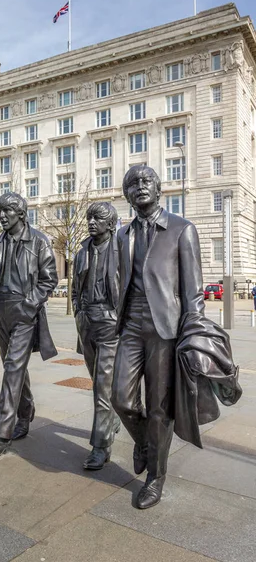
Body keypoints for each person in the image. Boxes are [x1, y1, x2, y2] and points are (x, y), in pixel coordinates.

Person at [111, 164, 205, 510]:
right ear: (127, 196)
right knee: (120, 397)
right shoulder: (123, 235)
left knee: (159, 407)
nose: (139, 186)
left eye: (145, 180)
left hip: (166, 326)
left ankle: (155, 477)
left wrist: (192, 333)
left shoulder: (182, 229)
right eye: (132, 184)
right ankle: (146, 444)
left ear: (159, 187)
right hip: (131, 323)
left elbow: (193, 292)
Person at [0, 192, 58, 457]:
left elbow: (49, 279)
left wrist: (29, 305)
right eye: (0, 211)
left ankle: (1, 435)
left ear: (21, 214)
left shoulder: (38, 241)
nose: (2, 216)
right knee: (13, 366)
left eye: (7, 211)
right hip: (1, 311)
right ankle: (26, 411)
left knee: (13, 369)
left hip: (24, 312)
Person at [72, 202, 121, 470]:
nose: (91, 222)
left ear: (110, 224)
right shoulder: (82, 252)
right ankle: (112, 419)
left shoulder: (122, 249)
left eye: (98, 218)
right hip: (87, 323)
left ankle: (100, 446)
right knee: (98, 383)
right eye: (89, 217)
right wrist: (78, 312)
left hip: (111, 325)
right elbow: (75, 289)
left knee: (103, 386)